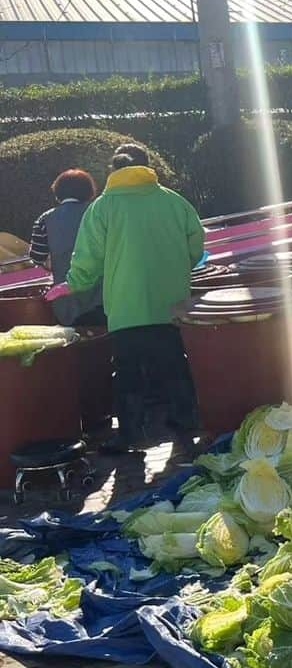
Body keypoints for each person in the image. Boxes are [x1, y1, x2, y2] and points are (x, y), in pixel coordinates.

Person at [47, 144, 205, 454]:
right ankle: (186, 424)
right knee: (175, 365)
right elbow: (196, 246)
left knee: (127, 373)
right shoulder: (175, 203)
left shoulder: (103, 208)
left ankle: (131, 434)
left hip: (125, 307)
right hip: (171, 304)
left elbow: (88, 260)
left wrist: (72, 285)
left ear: (114, 172)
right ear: (147, 167)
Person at [28, 169, 105, 327]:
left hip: (67, 301)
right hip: (106, 295)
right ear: (89, 191)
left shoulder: (45, 219)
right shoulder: (100, 213)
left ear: (58, 192)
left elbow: (37, 257)